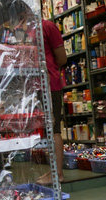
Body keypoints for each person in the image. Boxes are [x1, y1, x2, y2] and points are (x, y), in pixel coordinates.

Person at [37, 18, 67, 185]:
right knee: (45, 130)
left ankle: (57, 173)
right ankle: (53, 171)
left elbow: (62, 59)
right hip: (34, 85)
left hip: (49, 85)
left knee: (53, 129)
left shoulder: (47, 26)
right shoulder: (21, 29)